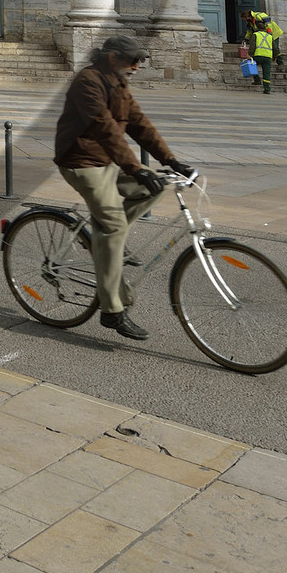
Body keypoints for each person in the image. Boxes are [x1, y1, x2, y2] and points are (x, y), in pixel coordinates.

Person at [53, 34, 193, 343]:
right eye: (133, 61)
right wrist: (134, 168)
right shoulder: (88, 81)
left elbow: (139, 123)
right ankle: (112, 310)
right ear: (112, 57)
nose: (137, 67)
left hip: (108, 161)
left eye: (139, 61)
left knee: (155, 188)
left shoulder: (119, 82)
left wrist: (171, 161)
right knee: (114, 227)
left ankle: (107, 237)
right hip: (82, 162)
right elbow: (104, 127)